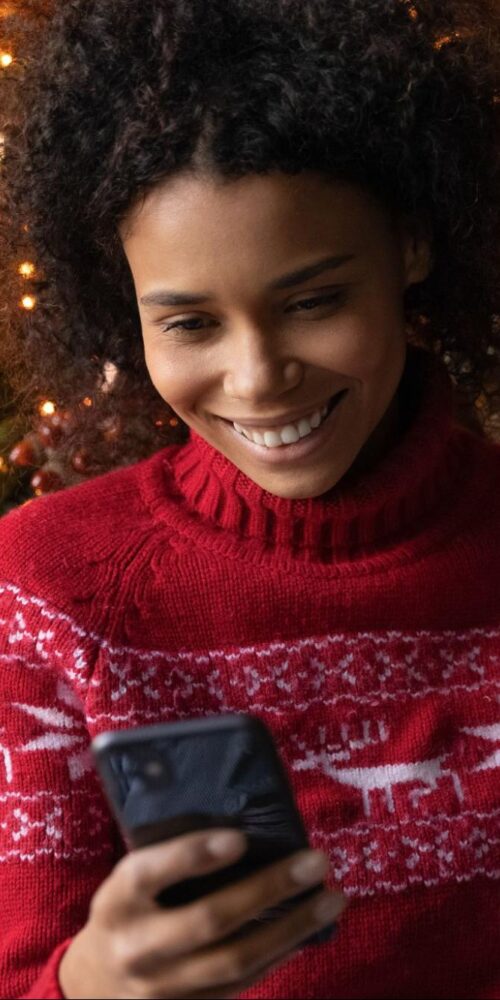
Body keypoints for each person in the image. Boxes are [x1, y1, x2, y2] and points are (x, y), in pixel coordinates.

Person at [0, 0, 498, 997]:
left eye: (313, 301)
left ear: (408, 247)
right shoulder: (47, 590)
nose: (258, 375)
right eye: (189, 324)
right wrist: (96, 981)